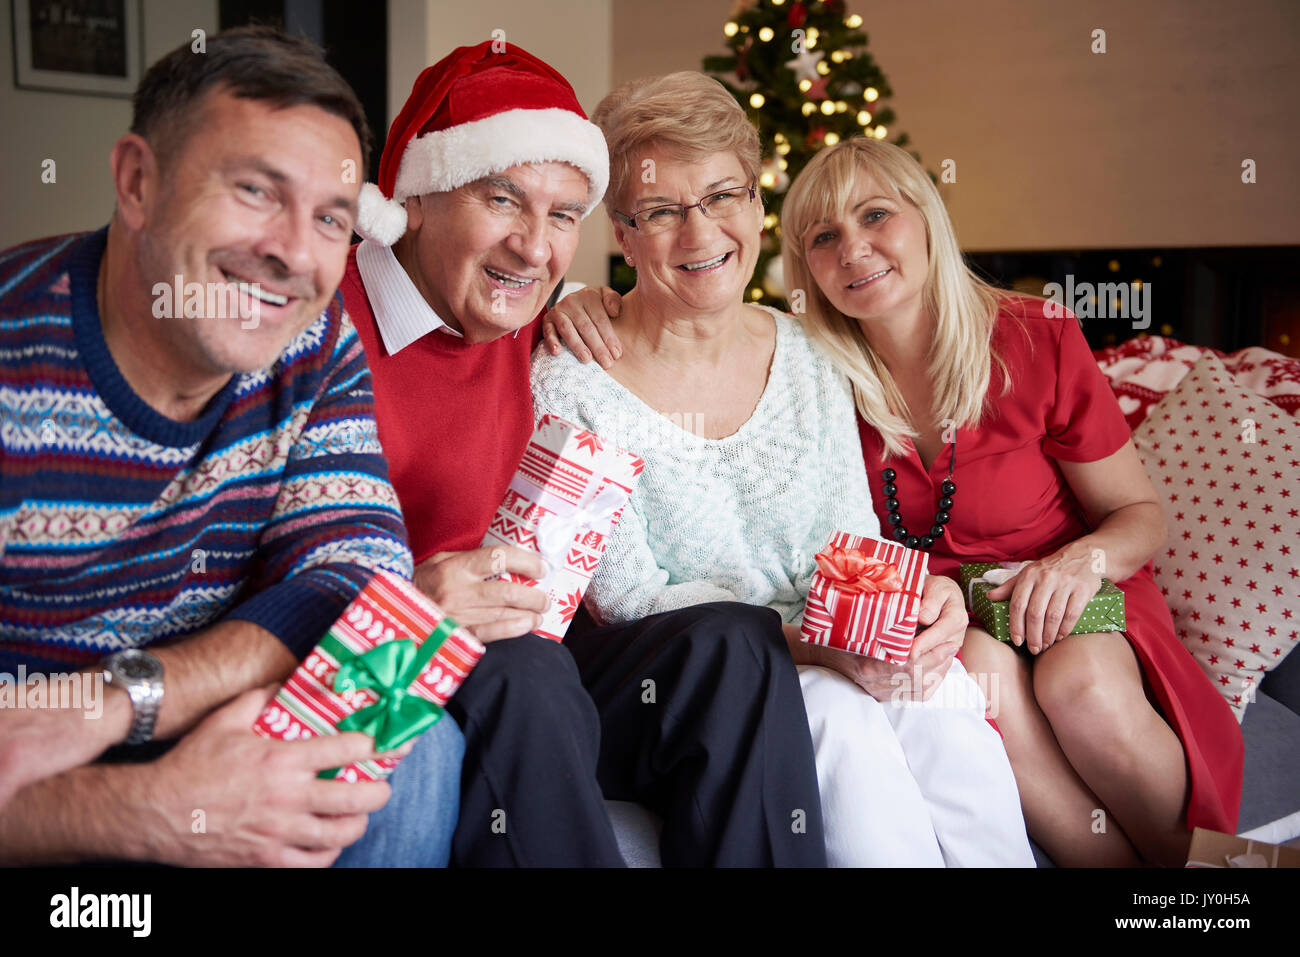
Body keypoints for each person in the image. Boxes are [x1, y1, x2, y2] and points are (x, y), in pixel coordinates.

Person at [343, 43, 829, 867]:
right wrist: (409, 602)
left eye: (564, 215)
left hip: (546, 663)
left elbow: (590, 301)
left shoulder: (546, 322)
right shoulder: (319, 326)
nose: (534, 247)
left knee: (733, 642)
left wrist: (580, 304)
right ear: (414, 199)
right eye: (503, 199)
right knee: (522, 668)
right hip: (387, 656)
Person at [535, 72, 1034, 867]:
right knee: (840, 717)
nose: (700, 234)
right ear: (622, 232)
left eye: (724, 195)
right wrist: (815, 646)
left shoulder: (808, 351)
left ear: (758, 207)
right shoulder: (571, 377)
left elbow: (853, 537)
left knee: (939, 698)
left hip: (839, 636)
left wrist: (914, 603)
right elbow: (632, 598)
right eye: (663, 210)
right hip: (723, 682)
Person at [0, 26, 463, 867]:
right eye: (255, 190)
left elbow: (360, 583)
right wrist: (146, 809)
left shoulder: (313, 345)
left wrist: (116, 701)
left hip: (183, 724)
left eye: (330, 216)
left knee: (405, 735)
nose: (292, 252)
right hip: (27, 775)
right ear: (138, 182)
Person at [778, 136, 1243, 866]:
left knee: (1081, 684)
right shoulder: (809, 374)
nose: (854, 248)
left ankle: (1213, 877)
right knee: (970, 675)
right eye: (823, 236)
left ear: (927, 218)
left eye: (875, 215)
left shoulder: (1037, 335)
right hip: (944, 611)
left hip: (1069, 580)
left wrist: (1077, 562)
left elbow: (1139, 516)